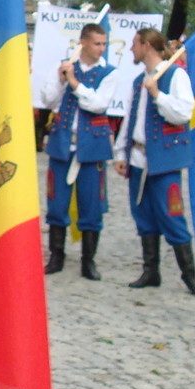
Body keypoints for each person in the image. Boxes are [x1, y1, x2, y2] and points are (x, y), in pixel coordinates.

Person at [114, 28, 195, 297]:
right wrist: (121, 153)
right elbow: (130, 119)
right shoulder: (137, 81)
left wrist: (157, 94)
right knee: (143, 215)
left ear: (147, 46)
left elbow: (183, 113)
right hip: (138, 156)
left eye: (135, 44)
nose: (131, 49)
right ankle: (151, 271)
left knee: (172, 215)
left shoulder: (175, 75)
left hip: (164, 159)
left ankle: (189, 276)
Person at [38, 22, 117, 279]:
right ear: (83, 43)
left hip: (92, 147)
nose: (101, 48)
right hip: (62, 144)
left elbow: (98, 104)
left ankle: (88, 260)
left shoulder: (108, 73)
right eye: (97, 43)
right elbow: (48, 100)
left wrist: (74, 83)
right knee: (57, 203)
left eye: (104, 44)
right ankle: (56, 256)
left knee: (91, 205)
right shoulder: (64, 66)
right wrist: (63, 80)